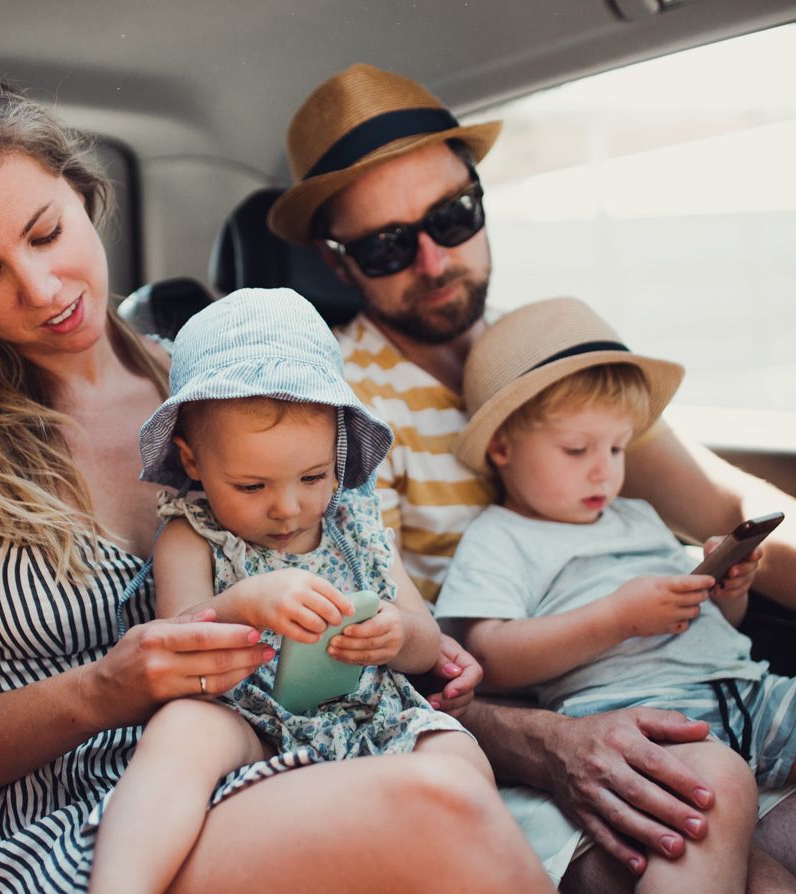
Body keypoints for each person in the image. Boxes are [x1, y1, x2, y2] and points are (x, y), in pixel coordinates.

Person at [0, 67, 556, 894]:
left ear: (81, 190)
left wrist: (403, 641)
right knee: (442, 810)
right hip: (44, 828)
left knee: (462, 786)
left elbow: (340, 554)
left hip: (261, 770)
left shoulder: (223, 398)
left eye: (44, 233)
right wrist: (101, 692)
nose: (42, 290)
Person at [267, 62, 796, 888]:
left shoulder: (546, 347)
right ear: (340, 263)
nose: (437, 260)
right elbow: (376, 662)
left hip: (689, 689)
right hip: (511, 727)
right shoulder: (338, 409)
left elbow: (728, 504)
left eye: (453, 215)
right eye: (389, 244)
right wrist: (547, 743)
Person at [89, 287, 549, 894]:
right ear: (193, 461)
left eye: (312, 477)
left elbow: (426, 641)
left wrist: (395, 633)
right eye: (251, 486)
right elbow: (176, 643)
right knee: (181, 730)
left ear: (337, 452)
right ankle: (122, 883)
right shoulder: (191, 532)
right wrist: (241, 604)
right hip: (246, 719)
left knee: (457, 754)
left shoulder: (355, 521)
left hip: (370, 712)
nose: (287, 507)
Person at [435, 297, 796, 892]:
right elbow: (490, 656)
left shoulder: (637, 516)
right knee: (717, 791)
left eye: (618, 448)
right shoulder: (500, 537)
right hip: (645, 712)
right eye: (577, 451)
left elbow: (718, 626)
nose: (603, 471)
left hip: (749, 690)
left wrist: (728, 589)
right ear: (502, 448)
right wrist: (616, 618)